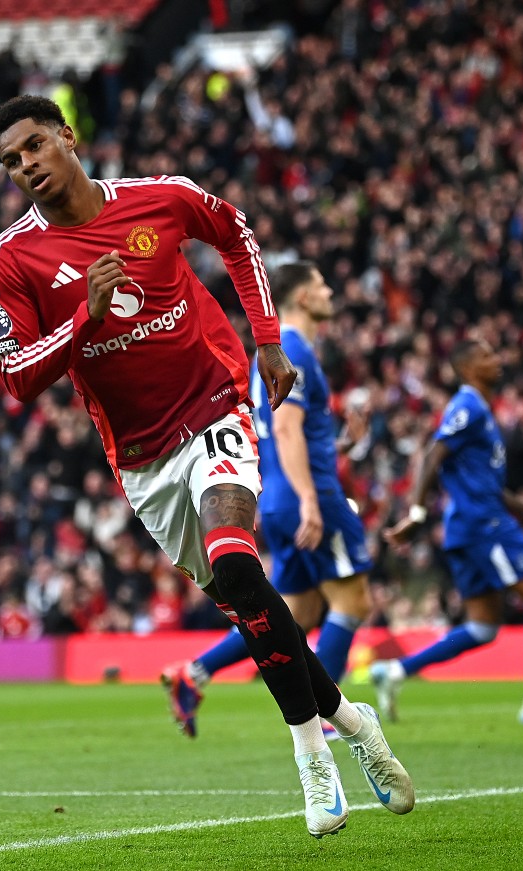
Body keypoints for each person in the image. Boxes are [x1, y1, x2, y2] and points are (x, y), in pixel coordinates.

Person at [0, 94, 413, 837]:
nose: (25, 167)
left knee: (241, 568)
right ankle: (350, 716)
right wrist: (84, 314)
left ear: (68, 137)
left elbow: (236, 234)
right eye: (10, 162)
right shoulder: (12, 258)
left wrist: (268, 337)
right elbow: (18, 374)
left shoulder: (160, 198)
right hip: (143, 460)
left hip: (213, 404)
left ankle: (312, 753)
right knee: (246, 604)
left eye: (32, 147)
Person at [161, 261, 373, 740]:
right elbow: (283, 427)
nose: (330, 290)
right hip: (309, 494)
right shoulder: (291, 349)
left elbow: (287, 431)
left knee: (292, 615)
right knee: (354, 602)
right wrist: (311, 501)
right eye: (321, 285)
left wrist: (339, 442)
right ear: (301, 297)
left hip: (276, 492)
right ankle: (329, 715)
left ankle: (193, 673)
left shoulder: (277, 353)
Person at [377, 339, 523, 726]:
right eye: (487, 356)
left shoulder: (481, 410)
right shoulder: (467, 405)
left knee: (483, 627)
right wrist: (418, 513)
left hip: (470, 525)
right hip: (483, 524)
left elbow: (481, 478)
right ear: (468, 369)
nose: (498, 359)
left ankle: (397, 672)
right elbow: (432, 455)